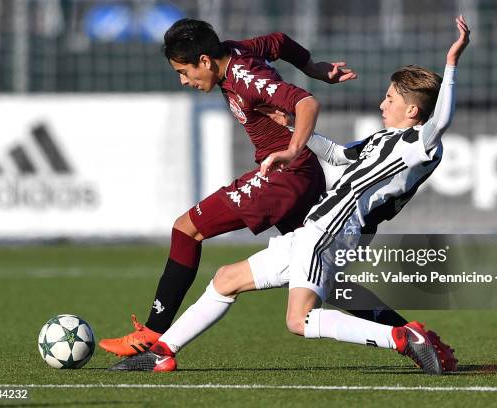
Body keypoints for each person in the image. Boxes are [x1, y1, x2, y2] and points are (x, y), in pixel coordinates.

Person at [110, 16, 471, 375]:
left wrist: (451, 62)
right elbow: (337, 155)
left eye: (389, 99)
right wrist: (293, 127)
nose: (382, 104)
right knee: (226, 279)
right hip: (318, 225)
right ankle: (161, 352)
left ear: (412, 110)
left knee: (299, 320)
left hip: (332, 227)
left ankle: (403, 339)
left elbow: (440, 121)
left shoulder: (420, 145)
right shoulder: (381, 140)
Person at [99, 17, 370, 357]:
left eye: (184, 72)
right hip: (297, 175)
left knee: (186, 230)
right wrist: (313, 66)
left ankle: (153, 333)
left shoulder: (245, 77)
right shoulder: (237, 50)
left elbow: (306, 104)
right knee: (316, 272)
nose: (184, 81)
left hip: (283, 177)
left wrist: (291, 149)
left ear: (205, 62)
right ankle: (408, 334)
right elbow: (279, 41)